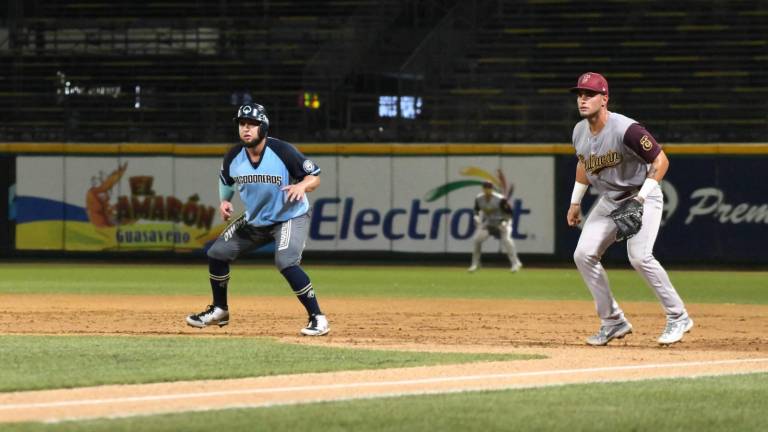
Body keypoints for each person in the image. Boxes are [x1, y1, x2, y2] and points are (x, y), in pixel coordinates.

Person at [566, 72, 692, 346]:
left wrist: (639, 200)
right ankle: (613, 321)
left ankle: (678, 316)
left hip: (641, 194)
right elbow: (584, 164)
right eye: (580, 94)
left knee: (639, 257)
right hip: (610, 199)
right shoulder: (579, 131)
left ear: (605, 99)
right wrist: (576, 201)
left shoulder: (627, 129)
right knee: (583, 254)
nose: (583, 99)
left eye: (590, 94)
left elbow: (661, 161)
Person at [186, 103, 329, 336]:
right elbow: (226, 180)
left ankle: (318, 318)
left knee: (286, 261)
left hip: (289, 217)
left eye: (252, 124)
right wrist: (224, 201)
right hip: (256, 220)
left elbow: (314, 176)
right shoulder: (234, 155)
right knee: (216, 253)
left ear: (263, 127)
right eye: (242, 124)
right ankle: (220, 309)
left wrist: (302, 185)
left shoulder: (282, 151)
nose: (246, 129)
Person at [468, 181, 523, 273]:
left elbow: (510, 213)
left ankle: (515, 263)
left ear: (492, 189)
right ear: (482, 189)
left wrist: (505, 222)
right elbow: (476, 210)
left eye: (489, 188)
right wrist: (476, 217)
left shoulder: (500, 199)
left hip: (503, 221)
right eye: (485, 188)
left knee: (507, 240)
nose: (487, 190)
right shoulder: (479, 198)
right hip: (489, 223)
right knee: (477, 239)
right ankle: (475, 264)